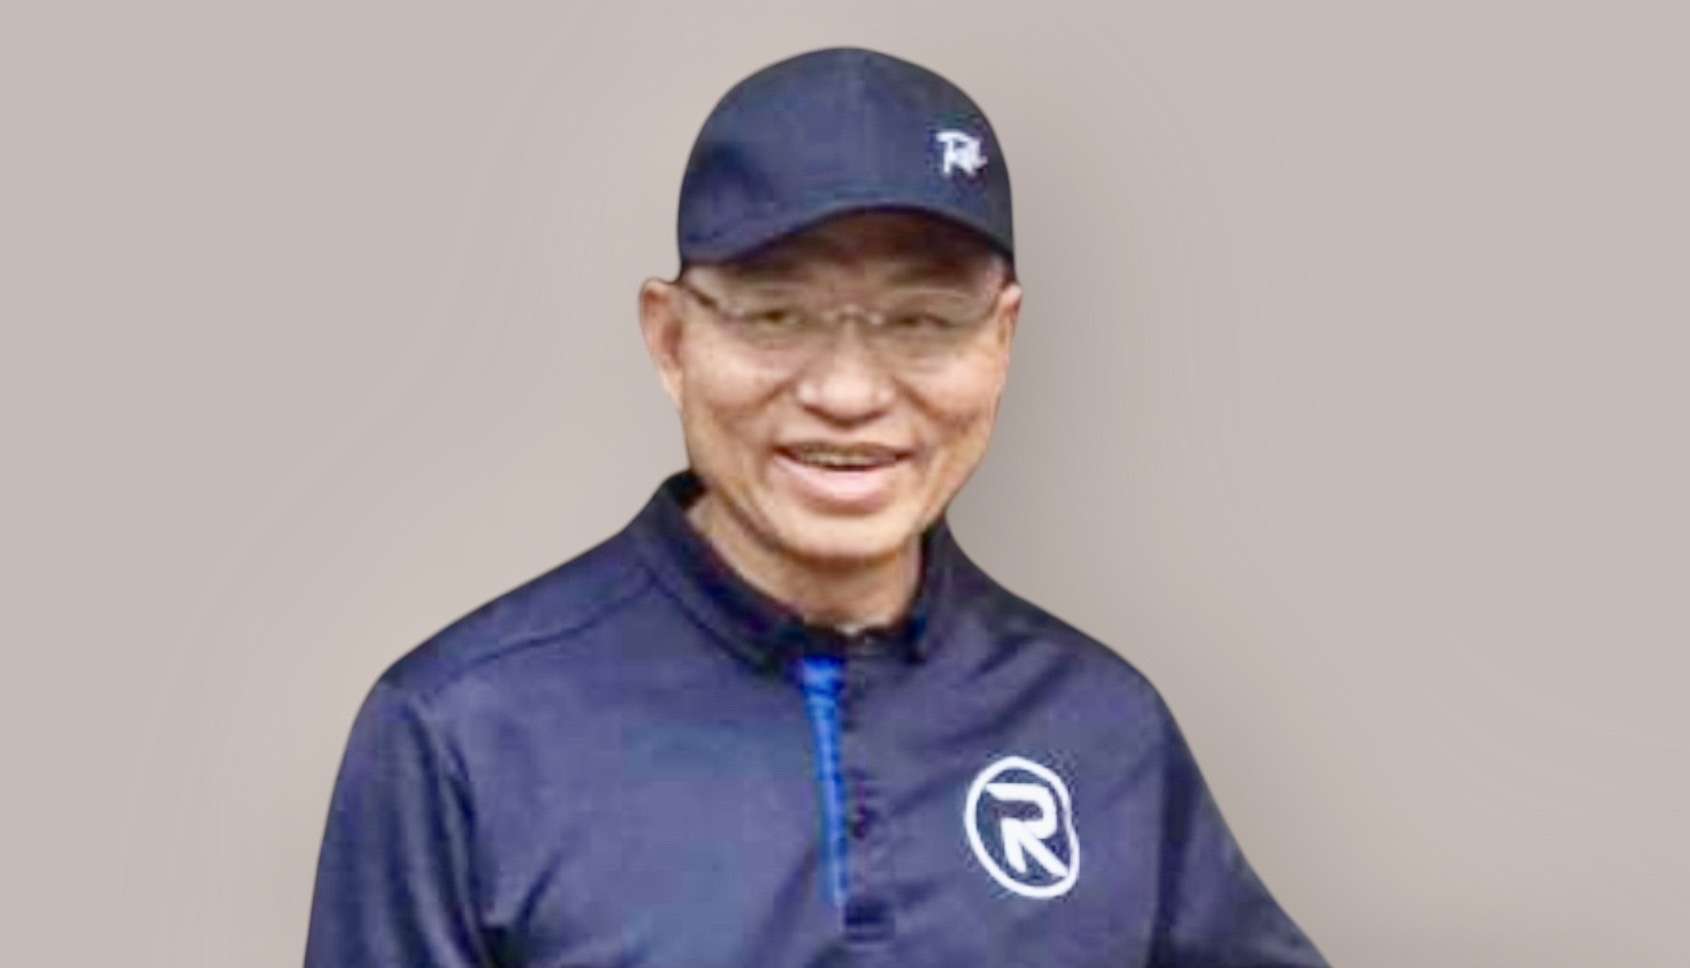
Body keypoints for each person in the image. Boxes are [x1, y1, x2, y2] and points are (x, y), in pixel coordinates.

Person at [304, 46, 1328, 967]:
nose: (847, 391)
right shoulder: (465, 730)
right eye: (776, 314)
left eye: (922, 320)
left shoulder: (1099, 724)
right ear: (672, 339)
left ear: (1001, 340)